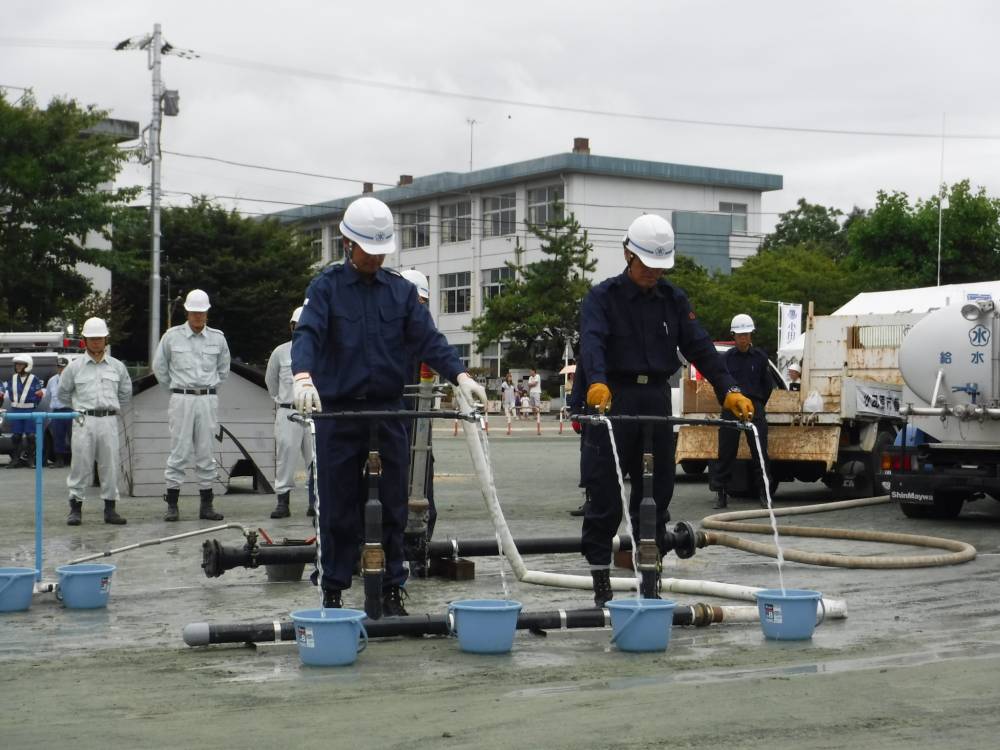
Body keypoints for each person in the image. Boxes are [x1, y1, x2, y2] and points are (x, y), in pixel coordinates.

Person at [291, 196, 487, 615]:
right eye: (368, 249)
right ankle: (334, 589)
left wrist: (461, 375)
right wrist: (303, 375)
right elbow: (307, 333)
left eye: (381, 250)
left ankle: (393, 587)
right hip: (340, 413)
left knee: (395, 504)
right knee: (337, 504)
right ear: (347, 244)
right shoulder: (325, 289)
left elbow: (428, 339)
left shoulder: (399, 292)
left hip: (389, 409)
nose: (375, 257)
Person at [578, 213, 753, 607]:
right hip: (614, 398)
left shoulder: (674, 300)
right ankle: (600, 579)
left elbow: (700, 347)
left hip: (656, 399)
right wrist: (597, 381)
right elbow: (593, 343)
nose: (653, 273)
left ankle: (650, 577)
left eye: (660, 267)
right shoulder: (601, 298)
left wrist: (729, 389)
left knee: (655, 492)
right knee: (604, 491)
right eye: (646, 265)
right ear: (628, 254)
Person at [152, 288, 231, 522]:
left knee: (206, 452)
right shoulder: (172, 337)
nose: (198, 317)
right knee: (178, 451)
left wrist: (208, 388)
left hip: (207, 399)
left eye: (202, 312)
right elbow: (160, 368)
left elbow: (223, 369)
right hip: (182, 398)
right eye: (194, 312)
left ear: (207, 313)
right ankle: (172, 504)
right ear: (187, 312)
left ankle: (206, 505)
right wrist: (177, 391)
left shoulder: (217, 338)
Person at [59, 317, 132, 525]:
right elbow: (63, 393)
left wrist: (112, 407)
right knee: (80, 465)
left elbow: (126, 393)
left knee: (110, 465)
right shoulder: (75, 367)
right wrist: (78, 407)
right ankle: (75, 508)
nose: (96, 342)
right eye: (91, 338)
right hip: (83, 420)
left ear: (106, 339)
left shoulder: (117, 367)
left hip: (108, 420)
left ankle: (110, 509)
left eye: (99, 338)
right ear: (84, 340)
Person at [710, 314, 774, 510]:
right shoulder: (726, 358)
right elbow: (719, 384)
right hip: (731, 407)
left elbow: (767, 385)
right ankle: (721, 494)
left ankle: (765, 493)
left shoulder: (761, 357)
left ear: (751, 335)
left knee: (759, 452)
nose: (743, 338)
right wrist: (726, 403)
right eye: (739, 335)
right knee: (726, 451)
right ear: (734, 336)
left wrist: (759, 403)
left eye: (746, 334)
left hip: (754, 406)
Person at [265, 306, 316, 519]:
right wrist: (284, 401)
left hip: (314, 413)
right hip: (288, 411)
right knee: (285, 456)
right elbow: (271, 381)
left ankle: (315, 501)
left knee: (315, 457)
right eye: (296, 326)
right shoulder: (280, 352)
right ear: (291, 326)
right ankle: (282, 501)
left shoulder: (320, 350)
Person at [400, 268, 438, 545]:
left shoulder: (424, 329)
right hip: (394, 416)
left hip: (419, 420)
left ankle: (420, 546)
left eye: (422, 302)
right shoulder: (390, 330)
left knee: (422, 480)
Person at [4, 354, 46, 468]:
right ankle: (15, 459)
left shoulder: (34, 378)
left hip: (29, 410)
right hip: (16, 410)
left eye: (20, 364)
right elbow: (10, 393)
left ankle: (30, 460)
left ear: (27, 365)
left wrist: (32, 405)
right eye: (16, 364)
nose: (17, 366)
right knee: (16, 436)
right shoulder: (12, 378)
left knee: (31, 436)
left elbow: (39, 395)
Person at [46, 356, 73, 467]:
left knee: (74, 437)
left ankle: (76, 461)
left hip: (70, 411)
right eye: (59, 367)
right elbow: (48, 396)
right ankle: (59, 460)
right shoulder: (52, 380)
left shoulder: (73, 379)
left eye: (63, 367)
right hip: (57, 411)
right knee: (58, 436)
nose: (61, 369)